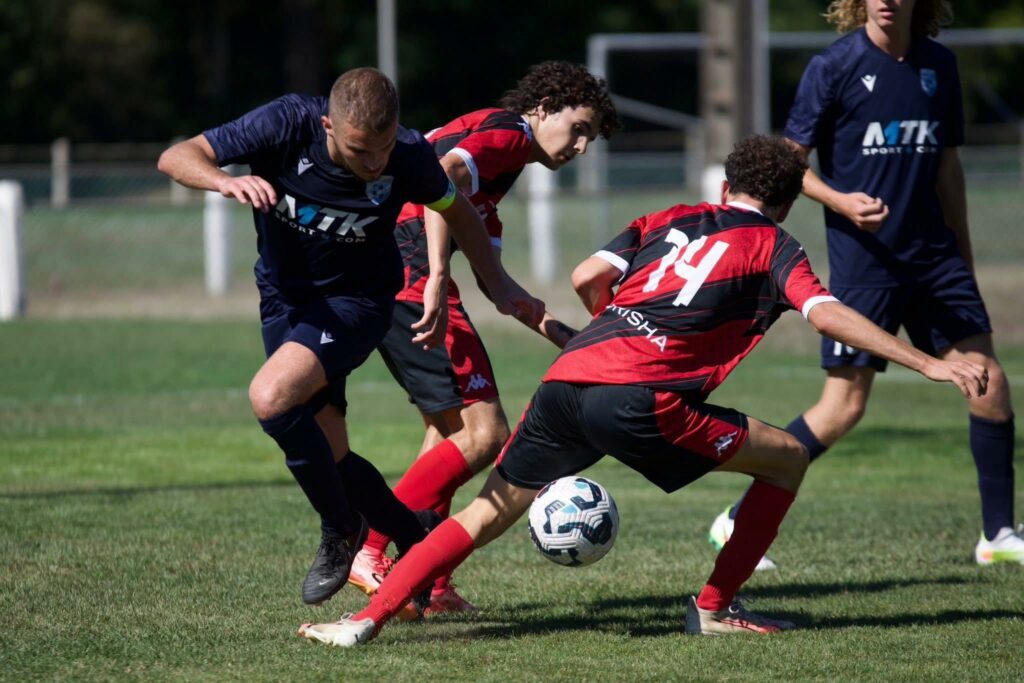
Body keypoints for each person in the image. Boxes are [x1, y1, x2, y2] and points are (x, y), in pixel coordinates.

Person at [297, 134, 988, 646]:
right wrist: (927, 362)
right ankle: (714, 607)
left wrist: (614, 322)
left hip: (569, 378)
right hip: (642, 398)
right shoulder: (775, 247)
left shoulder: (670, 218)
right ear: (783, 202)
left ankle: (363, 619)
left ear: (725, 186)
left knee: (483, 514)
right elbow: (824, 312)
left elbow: (584, 274)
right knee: (788, 457)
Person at [157, 67, 544, 607]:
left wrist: (498, 286)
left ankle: (340, 530)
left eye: (382, 149)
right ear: (328, 127)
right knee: (331, 452)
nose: (375, 164)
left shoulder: (407, 154)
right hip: (284, 299)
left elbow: (454, 208)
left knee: (271, 396)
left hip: (359, 301)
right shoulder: (285, 123)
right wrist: (223, 179)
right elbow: (177, 156)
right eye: (361, 150)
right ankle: (413, 542)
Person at [708, 0, 1021, 570]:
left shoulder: (939, 66)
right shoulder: (833, 67)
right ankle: (735, 516)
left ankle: (998, 535)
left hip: (935, 260)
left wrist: (964, 252)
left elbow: (949, 166)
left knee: (989, 383)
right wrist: (840, 201)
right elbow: (788, 164)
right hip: (864, 265)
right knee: (843, 407)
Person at [348, 61, 621, 616]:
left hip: (389, 268)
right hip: (406, 271)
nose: (581, 147)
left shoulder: (500, 171)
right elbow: (440, 174)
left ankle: (428, 577)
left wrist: (573, 339)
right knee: (485, 431)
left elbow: (502, 291)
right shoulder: (508, 134)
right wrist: (437, 276)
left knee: (449, 434)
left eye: (590, 138)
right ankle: (370, 550)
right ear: (544, 106)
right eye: (579, 129)